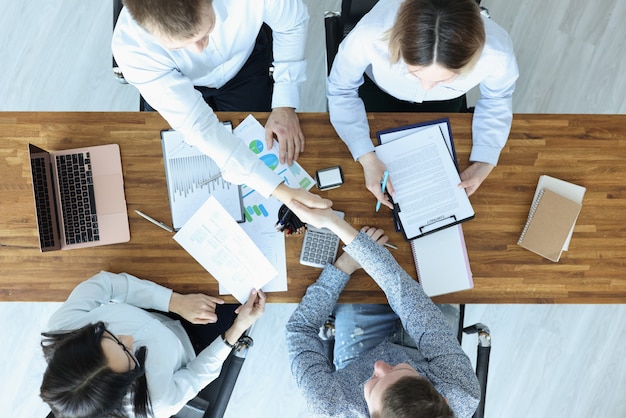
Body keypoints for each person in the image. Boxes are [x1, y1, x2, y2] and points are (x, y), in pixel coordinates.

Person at [112, 0, 327, 210]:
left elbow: (292, 24)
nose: (198, 50)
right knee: (168, 171)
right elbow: (198, 125)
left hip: (246, 63)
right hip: (175, 82)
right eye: (180, 46)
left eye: (206, 31)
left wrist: (285, 103)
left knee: (259, 134)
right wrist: (280, 190)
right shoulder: (132, 47)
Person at [285, 202, 480, 417]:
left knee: (360, 291)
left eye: (375, 383)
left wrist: (346, 265)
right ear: (443, 398)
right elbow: (409, 299)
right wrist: (335, 223)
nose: (379, 365)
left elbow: (299, 329)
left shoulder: (331, 405)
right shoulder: (460, 395)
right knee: (441, 274)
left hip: (360, 356)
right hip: (429, 355)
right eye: (401, 370)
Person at [327, 0, 519, 208]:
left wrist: (486, 159)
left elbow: (497, 98)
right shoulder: (370, 33)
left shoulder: (497, 52)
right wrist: (366, 156)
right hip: (377, 88)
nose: (427, 87)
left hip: (446, 101)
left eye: (443, 79)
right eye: (415, 73)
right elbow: (341, 89)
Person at [39, 271, 265, 418]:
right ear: (127, 384)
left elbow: (104, 284)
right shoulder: (154, 403)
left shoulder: (63, 326)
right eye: (129, 355)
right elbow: (197, 375)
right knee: (251, 285)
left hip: (146, 300)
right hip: (193, 341)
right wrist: (236, 329)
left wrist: (175, 301)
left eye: (111, 337)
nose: (129, 339)